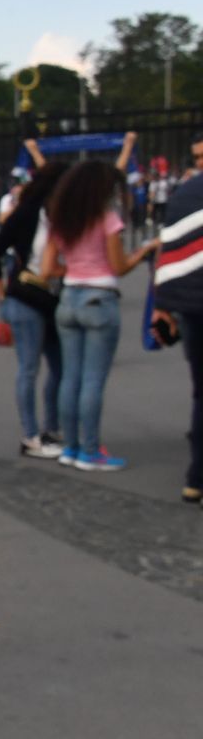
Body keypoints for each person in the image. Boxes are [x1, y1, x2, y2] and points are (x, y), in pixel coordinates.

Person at [39, 160, 157, 472]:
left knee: (70, 379)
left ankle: (70, 447)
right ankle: (90, 451)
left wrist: (75, 270)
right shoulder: (107, 219)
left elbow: (47, 269)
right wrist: (144, 252)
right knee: (93, 380)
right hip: (99, 299)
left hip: (69, 298)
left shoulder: (60, 220)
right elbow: (119, 267)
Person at [0, 161, 68, 458]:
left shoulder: (58, 215)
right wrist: (1, 296)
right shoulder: (26, 213)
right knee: (30, 368)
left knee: (59, 367)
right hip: (25, 297)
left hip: (48, 300)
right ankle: (31, 435)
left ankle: (51, 429)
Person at [152, 131, 203, 503]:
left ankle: (196, 478)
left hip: (191, 306)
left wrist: (163, 303)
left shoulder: (184, 194)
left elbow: (171, 252)